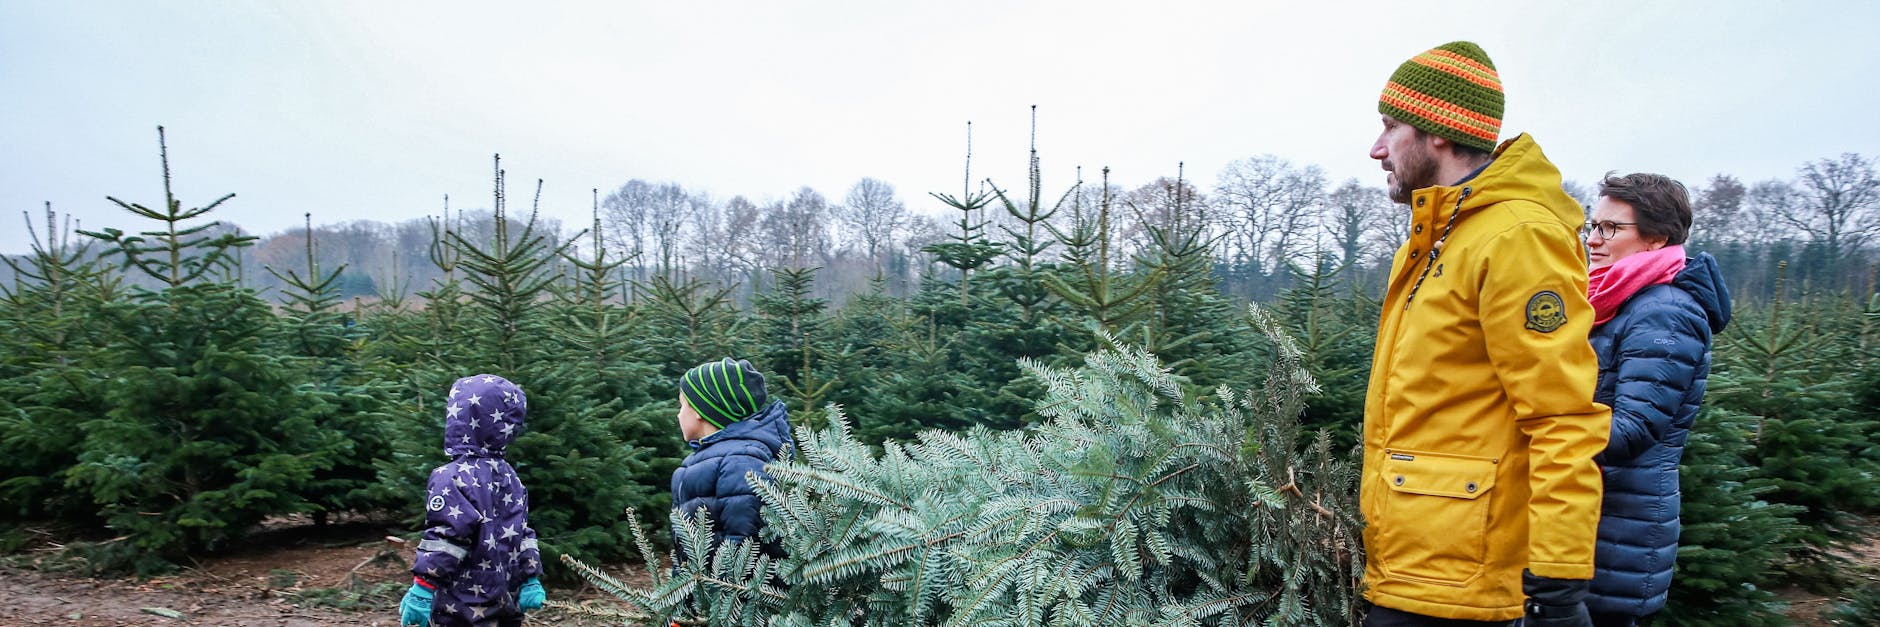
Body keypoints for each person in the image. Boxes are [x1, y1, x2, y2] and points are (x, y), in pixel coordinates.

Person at [1361, 41, 1611, 627]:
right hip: (1413, 567)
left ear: (1439, 134)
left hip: (1463, 585)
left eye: (1390, 127)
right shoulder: (1433, 242)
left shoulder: (1517, 238)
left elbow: (1561, 418)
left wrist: (1559, 582)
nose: (1376, 149)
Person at [1581, 173, 1730, 627]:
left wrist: (1525, 425)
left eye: (1611, 228)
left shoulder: (1664, 310)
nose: (1593, 239)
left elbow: (1633, 429)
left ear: (1657, 238)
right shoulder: (1612, 300)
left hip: (1617, 532)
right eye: (1593, 225)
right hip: (1587, 518)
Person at [400, 374, 546, 627]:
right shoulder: (510, 475)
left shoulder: (450, 477)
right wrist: (530, 577)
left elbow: (446, 537)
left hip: (460, 607)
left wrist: (422, 589)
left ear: (460, 419)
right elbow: (522, 532)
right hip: (505, 604)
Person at [670, 357, 792, 566]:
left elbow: (745, 544)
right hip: (700, 589)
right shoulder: (700, 458)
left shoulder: (741, 461)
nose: (679, 414)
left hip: (728, 593)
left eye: (683, 405)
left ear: (701, 410)